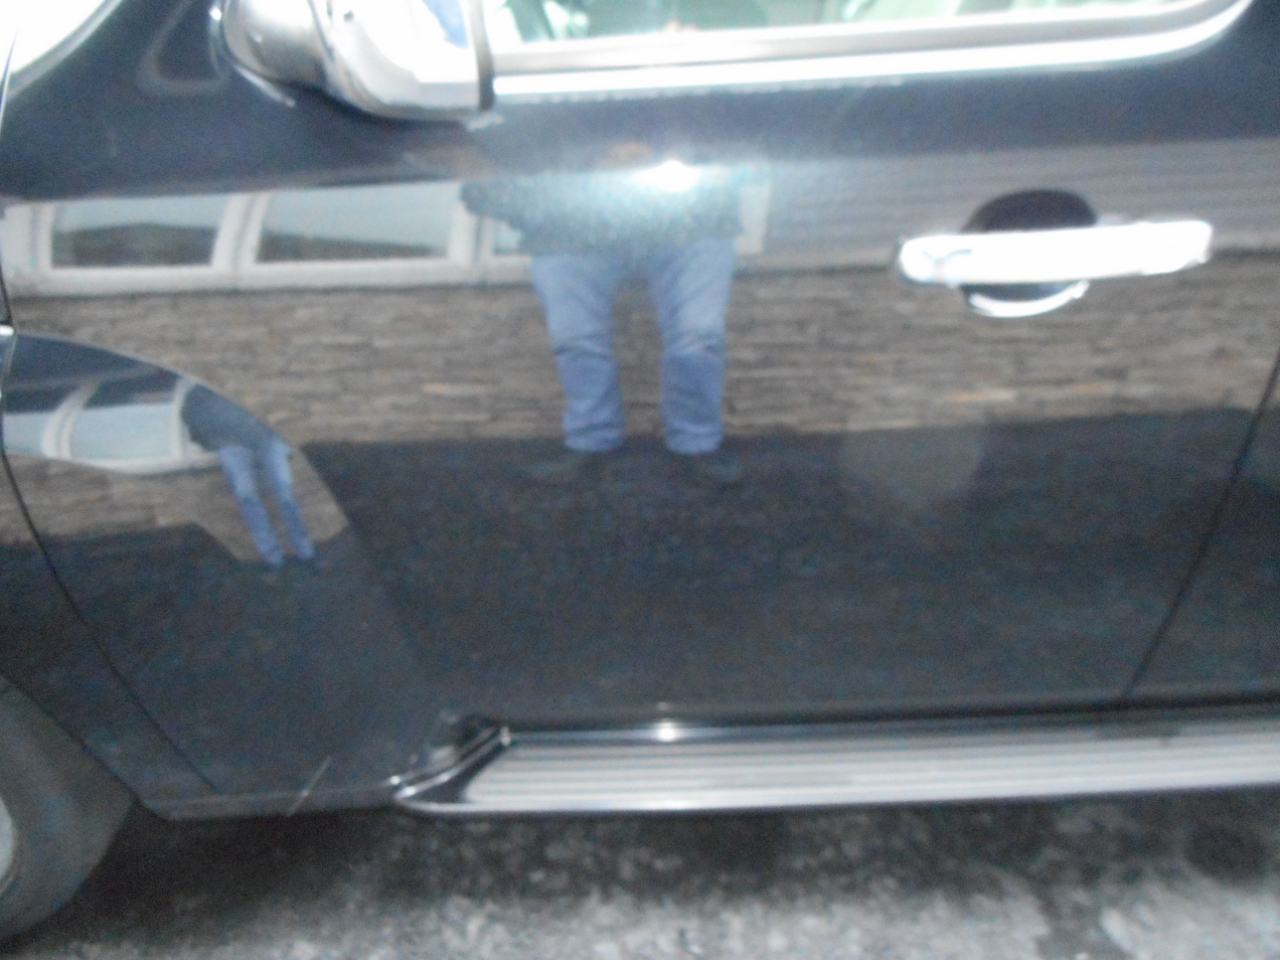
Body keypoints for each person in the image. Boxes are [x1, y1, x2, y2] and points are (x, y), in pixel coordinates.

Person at [462, 151, 748, 486]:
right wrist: (536, 203)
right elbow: (471, 168)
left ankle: (696, 442)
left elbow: (757, 146)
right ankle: (591, 440)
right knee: (576, 339)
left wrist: (715, 167)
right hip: (567, 223)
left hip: (692, 217)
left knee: (699, 336)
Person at [181, 384, 316, 567]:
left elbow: (280, 404)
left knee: (285, 491)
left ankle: (306, 552)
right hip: (230, 443)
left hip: (268, 438)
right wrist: (212, 441)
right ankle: (273, 559)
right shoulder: (200, 392)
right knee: (246, 495)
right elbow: (191, 417)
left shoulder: (248, 381)